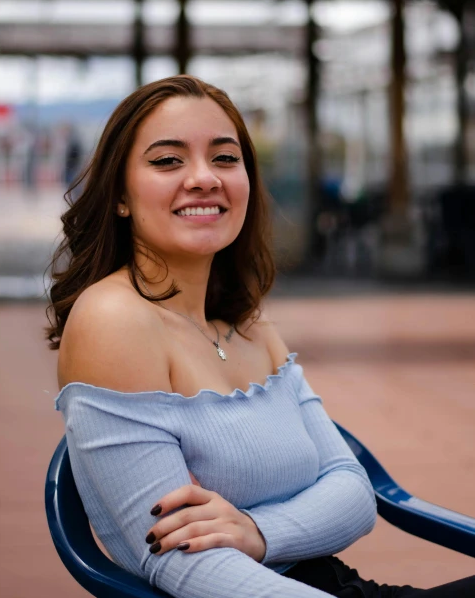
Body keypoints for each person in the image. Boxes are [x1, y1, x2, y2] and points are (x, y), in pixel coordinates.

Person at [47, 75, 474, 598]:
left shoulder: (248, 324)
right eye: (168, 161)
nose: (204, 178)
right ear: (119, 197)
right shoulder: (112, 320)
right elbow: (182, 565)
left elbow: (355, 494)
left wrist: (259, 531)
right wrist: (301, 521)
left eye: (225, 158)